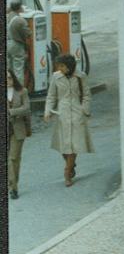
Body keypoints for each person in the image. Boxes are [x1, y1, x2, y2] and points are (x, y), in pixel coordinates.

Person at [44, 53, 92, 187]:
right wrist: (47, 111)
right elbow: (51, 95)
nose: (60, 68)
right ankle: (70, 163)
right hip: (62, 113)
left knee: (74, 143)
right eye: (58, 66)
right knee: (64, 145)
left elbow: (87, 95)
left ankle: (67, 173)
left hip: (77, 113)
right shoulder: (56, 77)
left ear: (70, 67)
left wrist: (84, 110)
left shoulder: (80, 76)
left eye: (62, 66)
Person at [8, 66, 31, 199]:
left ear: (13, 78)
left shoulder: (22, 91)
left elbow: (27, 108)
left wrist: (12, 112)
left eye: (9, 77)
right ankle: (12, 186)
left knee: (14, 158)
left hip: (18, 128)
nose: (7, 80)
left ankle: (13, 187)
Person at [7, 0, 30, 87]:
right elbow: (28, 34)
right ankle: (18, 89)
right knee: (18, 69)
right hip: (16, 44)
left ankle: (9, 87)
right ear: (19, 8)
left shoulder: (7, 17)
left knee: (9, 68)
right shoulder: (20, 20)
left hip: (7, 44)